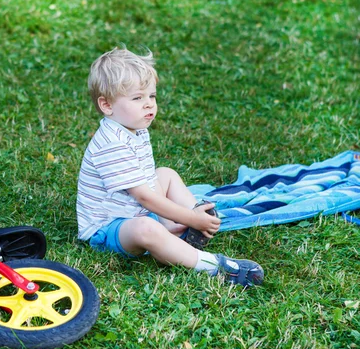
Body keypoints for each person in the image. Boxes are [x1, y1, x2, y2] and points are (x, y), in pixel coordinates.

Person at [76, 47, 264, 287]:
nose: (148, 105)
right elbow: (145, 198)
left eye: (151, 96)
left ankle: (184, 230)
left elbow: (147, 185)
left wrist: (188, 215)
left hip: (133, 211)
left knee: (165, 174)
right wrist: (191, 218)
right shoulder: (111, 143)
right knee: (146, 228)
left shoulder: (133, 128)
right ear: (107, 105)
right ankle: (213, 265)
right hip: (108, 228)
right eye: (137, 98)